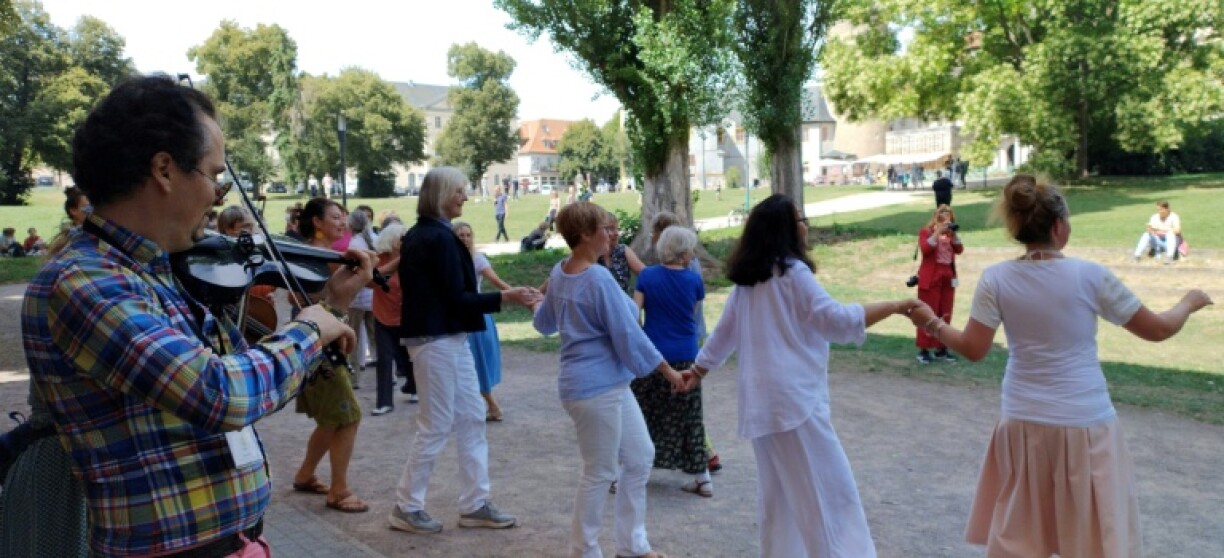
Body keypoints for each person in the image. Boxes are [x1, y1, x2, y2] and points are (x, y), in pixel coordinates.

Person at [19, 75, 367, 557]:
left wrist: (330, 307)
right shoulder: (83, 282)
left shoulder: (157, 271)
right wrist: (310, 328)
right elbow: (220, 394)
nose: (219, 195)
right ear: (164, 170)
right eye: (213, 174)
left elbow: (255, 382)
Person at [906, 175, 1213, 557]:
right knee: (1091, 541)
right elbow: (1158, 329)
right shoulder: (1090, 275)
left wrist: (933, 324)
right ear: (1057, 227)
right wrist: (1189, 302)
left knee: (1021, 540)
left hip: (1022, 421)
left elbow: (973, 348)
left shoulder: (996, 278)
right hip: (1085, 424)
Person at [685, 194, 918, 558]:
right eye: (800, 219)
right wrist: (896, 306)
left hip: (765, 406)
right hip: (794, 404)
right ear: (785, 230)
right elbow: (834, 320)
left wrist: (698, 370)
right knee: (829, 496)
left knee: (781, 502)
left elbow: (724, 333)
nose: (805, 225)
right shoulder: (792, 273)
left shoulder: (750, 281)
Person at [388, 166, 540, 535]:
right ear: (441, 194)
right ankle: (407, 506)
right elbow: (457, 298)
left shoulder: (430, 235)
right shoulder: (436, 238)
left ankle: (474, 504)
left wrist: (503, 297)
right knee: (437, 424)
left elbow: (450, 297)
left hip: (447, 338)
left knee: (472, 415)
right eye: (459, 191)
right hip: (435, 340)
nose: (465, 198)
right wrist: (506, 297)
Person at [533, 201, 686, 558]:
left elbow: (544, 322)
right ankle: (583, 551)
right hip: (591, 389)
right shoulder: (594, 278)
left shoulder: (564, 271)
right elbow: (627, 333)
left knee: (640, 456)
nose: (611, 234)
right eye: (605, 228)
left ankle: (632, 546)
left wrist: (537, 304)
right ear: (586, 234)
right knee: (600, 471)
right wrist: (667, 370)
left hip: (608, 384)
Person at [291, 197, 371, 514]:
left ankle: (305, 474)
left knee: (331, 419)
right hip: (320, 347)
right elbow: (322, 304)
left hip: (327, 343)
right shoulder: (310, 261)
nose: (342, 222)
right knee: (348, 417)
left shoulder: (326, 257)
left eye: (343, 217)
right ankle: (339, 490)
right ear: (317, 223)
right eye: (335, 217)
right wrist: (362, 278)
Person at [631, 225, 711, 497]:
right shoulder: (694, 280)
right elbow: (693, 313)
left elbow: (635, 313)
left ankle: (627, 473)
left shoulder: (646, 276)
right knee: (690, 415)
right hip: (686, 354)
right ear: (684, 252)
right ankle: (703, 478)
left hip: (652, 355)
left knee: (641, 412)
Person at [454, 222, 513, 422]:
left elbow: (497, 282)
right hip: (458, 316)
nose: (465, 238)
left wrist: (518, 294)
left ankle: (492, 406)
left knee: (476, 363)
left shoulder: (477, 259)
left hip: (475, 316)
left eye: (468, 235)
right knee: (462, 364)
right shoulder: (448, 259)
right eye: (460, 235)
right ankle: (473, 406)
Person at [370, 222, 415, 415]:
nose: (404, 241)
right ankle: (384, 402)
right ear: (391, 240)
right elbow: (369, 279)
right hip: (383, 316)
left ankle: (414, 387)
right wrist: (394, 264)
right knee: (384, 359)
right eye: (400, 238)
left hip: (406, 316)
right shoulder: (380, 259)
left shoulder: (412, 259)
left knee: (410, 356)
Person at [915, 204, 963, 364]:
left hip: (948, 277)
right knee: (928, 313)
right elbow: (925, 249)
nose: (946, 222)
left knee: (945, 313)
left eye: (949, 218)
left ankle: (941, 348)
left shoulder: (949, 235)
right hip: (931, 277)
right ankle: (924, 349)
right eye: (942, 218)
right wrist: (937, 232)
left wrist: (953, 234)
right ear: (936, 218)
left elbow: (959, 249)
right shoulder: (926, 232)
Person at [345, 209, 378, 388]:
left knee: (354, 339)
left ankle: (354, 377)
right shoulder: (373, 238)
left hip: (358, 297)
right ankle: (387, 374)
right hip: (372, 297)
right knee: (375, 338)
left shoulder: (354, 244)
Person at [1131, 200, 1181, 264]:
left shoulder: (1174, 216)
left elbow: (1177, 231)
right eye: (1158, 210)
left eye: (1161, 210)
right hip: (1158, 240)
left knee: (1170, 234)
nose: (1159, 212)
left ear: (1166, 209)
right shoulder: (1155, 217)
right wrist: (1151, 230)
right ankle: (1137, 256)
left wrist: (1162, 229)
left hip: (1170, 242)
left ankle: (1169, 257)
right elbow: (1149, 229)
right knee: (1146, 234)